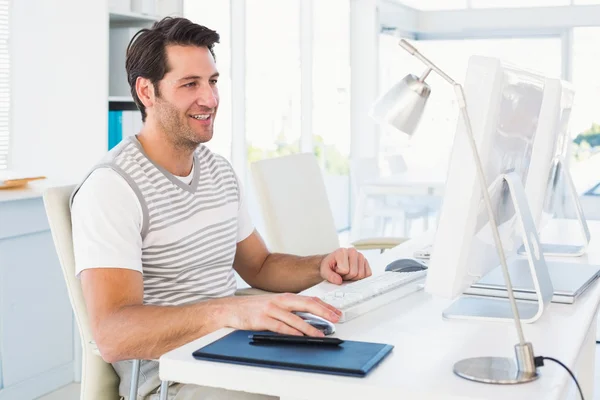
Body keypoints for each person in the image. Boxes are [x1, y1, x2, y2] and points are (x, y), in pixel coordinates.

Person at [71, 17, 371, 400]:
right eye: (189, 84)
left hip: (236, 349)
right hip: (173, 379)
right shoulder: (112, 188)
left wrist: (321, 265)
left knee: (360, 372)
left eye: (212, 81)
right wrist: (227, 312)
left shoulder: (218, 170)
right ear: (147, 92)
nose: (210, 99)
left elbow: (258, 266)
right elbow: (113, 335)